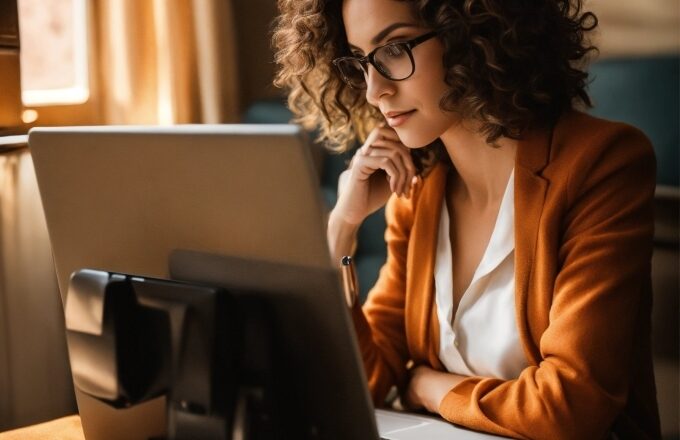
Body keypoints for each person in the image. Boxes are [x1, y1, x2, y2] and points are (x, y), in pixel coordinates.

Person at [272, 0, 661, 438]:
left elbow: (568, 406)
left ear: (471, 35)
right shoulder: (417, 192)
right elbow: (367, 383)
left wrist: (431, 388)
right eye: (360, 62)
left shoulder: (603, 163)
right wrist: (340, 228)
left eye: (395, 49)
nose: (373, 90)